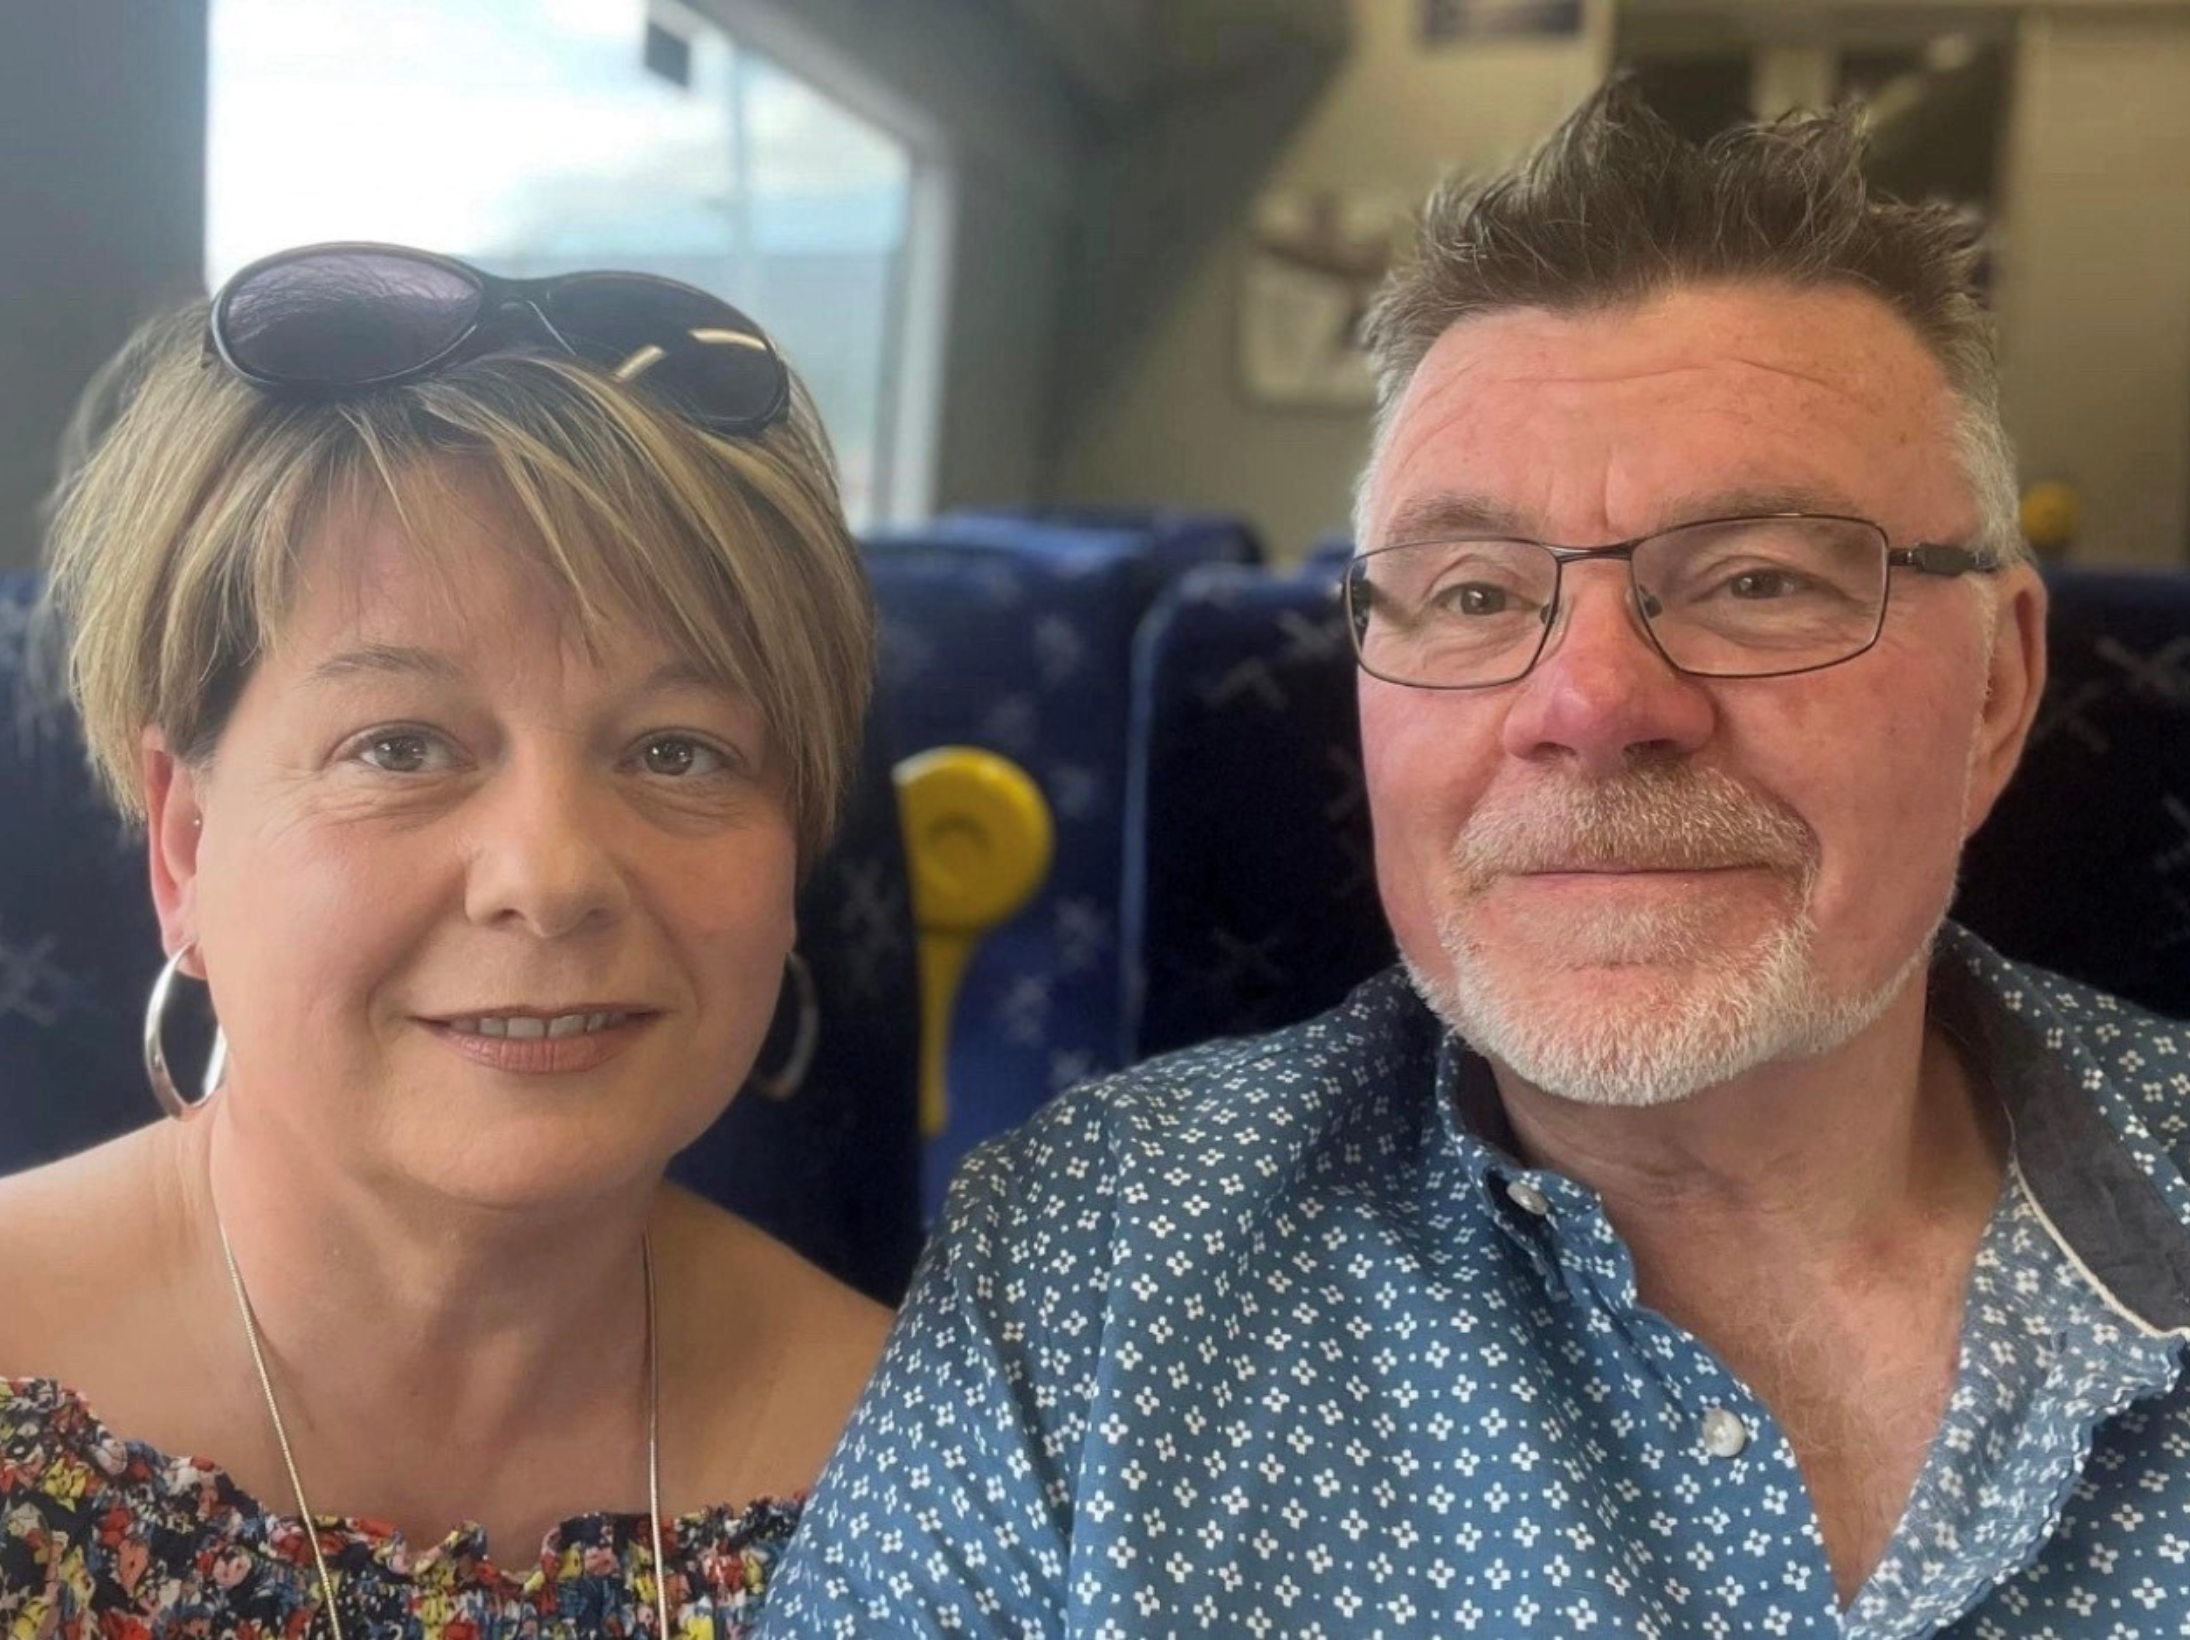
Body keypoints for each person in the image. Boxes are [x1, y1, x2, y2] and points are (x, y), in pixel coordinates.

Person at [764, 85, 2190, 1637]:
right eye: (1470, 595)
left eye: (1758, 580)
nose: (1589, 706)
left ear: (1994, 690)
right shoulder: (1084, 1269)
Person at [0, 243, 890, 1639]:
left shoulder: (942, 1459)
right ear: (185, 843)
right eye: (400, 746)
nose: (550, 878)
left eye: (677, 750)